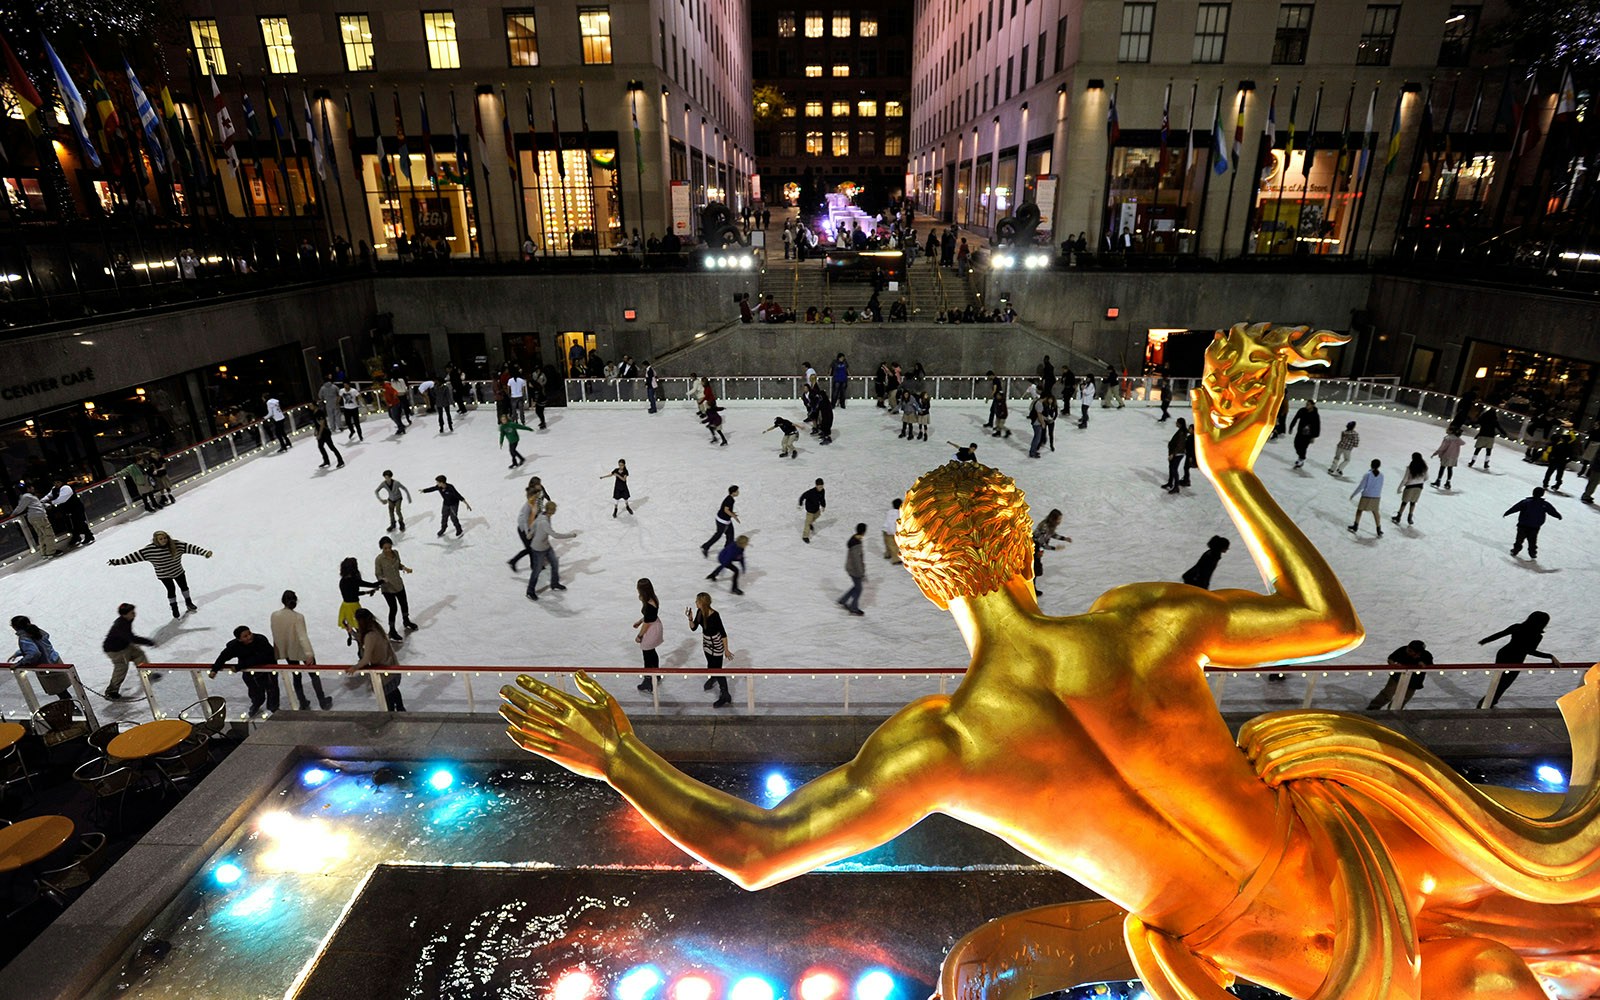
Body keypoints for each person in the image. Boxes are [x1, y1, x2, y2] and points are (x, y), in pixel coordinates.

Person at [503, 329, 1600, 1000]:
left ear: (927, 581)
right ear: (1028, 549)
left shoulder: (941, 745)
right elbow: (1329, 615)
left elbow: (754, 851)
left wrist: (617, 756)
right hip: (1361, 857)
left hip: (1293, 954)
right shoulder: (1139, 623)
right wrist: (1232, 472)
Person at [108, 531, 212, 618]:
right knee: (171, 590)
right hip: (164, 575)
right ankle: (174, 608)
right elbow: (133, 557)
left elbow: (192, 548)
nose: (164, 540)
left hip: (178, 571)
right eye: (161, 539)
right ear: (156, 540)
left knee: (184, 587)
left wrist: (204, 552)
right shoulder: (149, 550)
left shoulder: (176, 545)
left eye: (165, 538)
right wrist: (117, 562)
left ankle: (188, 602)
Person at [1477, 612, 1560, 709]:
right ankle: (1486, 703)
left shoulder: (1517, 627)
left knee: (1499, 681)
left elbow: (1500, 634)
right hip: (1515, 660)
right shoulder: (1537, 635)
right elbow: (1529, 651)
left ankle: (1488, 702)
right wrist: (1550, 656)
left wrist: (1485, 641)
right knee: (1504, 683)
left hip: (1504, 654)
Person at [271, 590, 332, 711]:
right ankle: (322, 701)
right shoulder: (298, 617)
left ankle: (302, 701)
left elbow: (276, 634)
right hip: (301, 650)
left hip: (288, 651)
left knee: (296, 675)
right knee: (314, 675)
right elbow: (302, 636)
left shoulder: (274, 615)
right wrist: (309, 653)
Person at [208, 624, 280, 717]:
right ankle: (256, 704)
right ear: (239, 639)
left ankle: (273, 709)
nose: (249, 637)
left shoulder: (260, 640)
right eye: (245, 636)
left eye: (249, 633)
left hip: (268, 670)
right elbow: (223, 656)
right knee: (254, 691)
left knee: (272, 689)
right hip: (249, 673)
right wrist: (215, 669)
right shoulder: (234, 646)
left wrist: (239, 666)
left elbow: (262, 657)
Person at [687, 591, 734, 707]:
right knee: (710, 664)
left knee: (718, 669)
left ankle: (725, 694)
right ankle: (713, 677)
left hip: (716, 644)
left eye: (697, 601)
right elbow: (693, 628)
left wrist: (726, 650)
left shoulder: (715, 615)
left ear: (702, 603)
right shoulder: (699, 612)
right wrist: (690, 619)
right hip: (707, 642)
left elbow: (723, 633)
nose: (695, 603)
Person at [353, 608, 404, 711]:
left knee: (388, 700)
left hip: (385, 673)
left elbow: (366, 658)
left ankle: (393, 717)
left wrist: (354, 667)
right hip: (392, 668)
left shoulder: (370, 635)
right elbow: (368, 641)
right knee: (394, 692)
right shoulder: (376, 627)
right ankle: (400, 709)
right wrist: (352, 633)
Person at [100, 603, 155, 700]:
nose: (134, 614)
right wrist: (147, 641)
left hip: (124, 645)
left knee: (139, 654)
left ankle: (146, 673)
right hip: (116, 650)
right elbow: (132, 638)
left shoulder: (127, 620)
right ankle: (111, 691)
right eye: (132, 612)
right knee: (121, 668)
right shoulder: (120, 625)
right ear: (125, 614)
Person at [9, 615, 70, 700]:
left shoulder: (24, 638)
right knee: (63, 692)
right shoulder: (36, 631)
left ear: (15, 627)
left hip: (46, 667)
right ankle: (72, 707)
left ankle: (72, 709)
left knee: (61, 693)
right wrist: (19, 653)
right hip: (56, 662)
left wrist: (19, 663)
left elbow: (34, 653)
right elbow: (42, 642)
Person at [1366, 640, 1434, 711]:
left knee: (1404, 698)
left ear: (1418, 653)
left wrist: (1423, 664)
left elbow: (1430, 666)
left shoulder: (1426, 656)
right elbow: (1390, 659)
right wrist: (1394, 665)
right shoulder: (1402, 650)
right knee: (1387, 694)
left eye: (1410, 651)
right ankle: (1372, 708)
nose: (1407, 651)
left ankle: (1394, 711)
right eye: (1408, 649)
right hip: (1397, 678)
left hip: (1414, 682)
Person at [526, 501, 575, 600]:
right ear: (552, 510)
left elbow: (534, 524)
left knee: (554, 562)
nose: (556, 510)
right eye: (555, 509)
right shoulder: (544, 522)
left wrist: (530, 533)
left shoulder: (543, 515)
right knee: (537, 570)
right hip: (538, 548)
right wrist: (571, 535)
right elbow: (555, 535)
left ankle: (554, 583)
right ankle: (530, 591)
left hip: (546, 546)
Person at [374, 537, 419, 641]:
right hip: (388, 588)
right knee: (393, 608)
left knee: (404, 604)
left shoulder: (396, 553)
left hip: (398, 584)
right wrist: (382, 579)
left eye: (389, 547)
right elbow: (378, 573)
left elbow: (398, 565)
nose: (388, 550)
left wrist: (404, 568)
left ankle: (406, 620)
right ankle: (392, 630)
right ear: (382, 548)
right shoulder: (379, 559)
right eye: (385, 548)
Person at [1503, 486, 1561, 559]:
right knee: (1532, 541)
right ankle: (1532, 553)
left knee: (1519, 539)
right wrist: (1558, 516)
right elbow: (1552, 511)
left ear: (1533, 493)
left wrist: (1507, 512)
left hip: (1523, 525)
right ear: (1542, 494)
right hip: (1535, 526)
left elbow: (1515, 508)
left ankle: (1515, 550)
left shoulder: (1526, 502)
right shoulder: (1545, 504)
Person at [2, 485, 59, 557]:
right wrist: (12, 515)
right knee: (48, 534)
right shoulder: (26, 496)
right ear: (28, 489)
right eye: (31, 487)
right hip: (38, 517)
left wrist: (46, 505)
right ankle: (51, 551)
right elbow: (20, 507)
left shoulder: (29, 496)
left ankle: (44, 552)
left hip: (36, 517)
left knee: (41, 535)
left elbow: (37, 505)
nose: (33, 488)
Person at [1030, 509, 1071, 595]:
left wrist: (1064, 538)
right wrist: (1054, 548)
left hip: (1037, 547)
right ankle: (1031, 589)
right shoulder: (1045, 527)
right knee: (1034, 569)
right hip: (1033, 548)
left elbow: (1052, 534)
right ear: (1054, 519)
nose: (1060, 521)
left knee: (1035, 569)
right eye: (1059, 519)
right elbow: (1041, 543)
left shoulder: (1049, 526)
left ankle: (1032, 588)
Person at [634, 578, 664, 692]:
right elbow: (648, 617)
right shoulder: (652, 599)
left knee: (647, 655)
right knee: (652, 652)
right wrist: (640, 621)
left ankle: (648, 681)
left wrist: (640, 636)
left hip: (651, 629)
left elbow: (647, 623)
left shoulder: (649, 604)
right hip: (655, 625)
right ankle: (657, 674)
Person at [46, 480, 92, 546]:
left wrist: (51, 503)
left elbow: (62, 499)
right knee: (70, 524)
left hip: (76, 507)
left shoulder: (66, 488)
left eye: (58, 482)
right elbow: (49, 496)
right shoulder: (54, 489)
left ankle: (89, 535)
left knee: (79, 522)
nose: (56, 484)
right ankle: (76, 536)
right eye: (55, 482)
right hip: (66, 510)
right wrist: (42, 501)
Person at [1348, 459, 1384, 536]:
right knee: (1375, 512)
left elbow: (1361, 486)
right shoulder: (1381, 475)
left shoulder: (1368, 474)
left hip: (1366, 495)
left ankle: (1355, 525)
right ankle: (1379, 529)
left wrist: (1353, 494)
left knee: (1359, 510)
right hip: (1376, 496)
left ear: (1371, 465)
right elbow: (1380, 486)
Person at [701, 486, 740, 557]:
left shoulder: (730, 498)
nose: (738, 492)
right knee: (718, 535)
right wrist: (734, 516)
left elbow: (726, 509)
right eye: (737, 491)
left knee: (730, 535)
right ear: (733, 492)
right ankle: (705, 547)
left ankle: (727, 550)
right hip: (722, 521)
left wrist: (732, 513)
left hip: (725, 519)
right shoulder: (730, 500)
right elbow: (726, 510)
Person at [1392, 452, 1429, 526]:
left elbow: (1405, 479)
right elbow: (1427, 477)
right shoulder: (1424, 467)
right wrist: (1421, 481)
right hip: (1419, 486)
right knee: (1413, 502)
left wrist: (1400, 488)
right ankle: (1410, 517)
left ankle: (1399, 516)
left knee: (1404, 502)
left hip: (1410, 486)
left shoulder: (1410, 468)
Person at [838, 523, 868, 616]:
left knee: (856, 587)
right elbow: (856, 560)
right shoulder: (856, 544)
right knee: (858, 589)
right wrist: (861, 573)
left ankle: (843, 600)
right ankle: (853, 607)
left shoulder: (855, 539)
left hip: (851, 568)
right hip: (854, 570)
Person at [1287, 399, 1320, 469]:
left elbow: (1317, 426)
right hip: (1300, 432)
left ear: (1312, 405)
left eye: (1308, 404)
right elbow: (1295, 418)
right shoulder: (1302, 410)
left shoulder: (1315, 414)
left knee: (1303, 447)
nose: (1306, 405)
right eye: (1306, 404)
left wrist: (1313, 436)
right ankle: (1301, 457)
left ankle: (1301, 459)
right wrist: (1291, 427)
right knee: (1296, 444)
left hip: (1308, 435)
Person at [1163, 419, 1189, 493]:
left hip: (1177, 454)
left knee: (1174, 469)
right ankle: (1170, 483)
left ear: (1180, 424)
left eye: (1177, 422)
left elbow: (1179, 445)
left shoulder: (1181, 433)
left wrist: (1173, 454)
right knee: (1171, 468)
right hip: (1176, 453)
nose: (1176, 423)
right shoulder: (1181, 431)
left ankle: (1176, 487)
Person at [798, 479, 826, 543]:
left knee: (818, 515)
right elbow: (803, 496)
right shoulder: (811, 492)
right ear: (816, 486)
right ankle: (805, 536)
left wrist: (823, 506)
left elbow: (822, 499)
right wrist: (800, 504)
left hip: (816, 508)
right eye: (819, 487)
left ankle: (810, 523)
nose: (821, 488)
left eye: (822, 486)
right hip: (810, 510)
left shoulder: (822, 491)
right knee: (807, 523)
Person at [882, 498, 904, 564]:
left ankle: (888, 554)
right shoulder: (899, 514)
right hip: (892, 531)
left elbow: (888, 521)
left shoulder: (890, 512)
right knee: (894, 546)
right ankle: (896, 559)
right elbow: (894, 523)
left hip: (885, 530)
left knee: (887, 544)